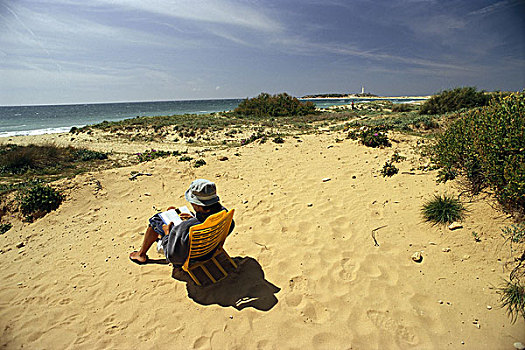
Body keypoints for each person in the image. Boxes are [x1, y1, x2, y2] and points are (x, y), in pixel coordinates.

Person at [129, 179, 234, 266]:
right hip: (210, 248)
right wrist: (194, 218)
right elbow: (230, 225)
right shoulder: (223, 213)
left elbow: (172, 256)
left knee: (156, 220)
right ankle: (157, 238)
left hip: (192, 256)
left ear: (198, 205)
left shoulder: (185, 228)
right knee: (172, 210)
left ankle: (141, 254)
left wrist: (167, 234)